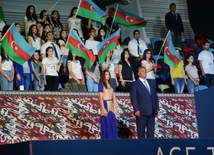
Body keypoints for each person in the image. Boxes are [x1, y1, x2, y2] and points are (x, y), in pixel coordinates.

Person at [130, 66, 159, 138]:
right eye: (143, 71)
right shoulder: (135, 84)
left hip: (152, 110)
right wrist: (136, 109)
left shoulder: (150, 82)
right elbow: (134, 98)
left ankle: (151, 147)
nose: (145, 72)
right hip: (142, 111)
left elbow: (154, 96)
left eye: (145, 71)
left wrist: (156, 107)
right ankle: (142, 147)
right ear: (138, 73)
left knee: (151, 132)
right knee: (141, 132)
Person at [99, 70, 118, 139]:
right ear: (103, 75)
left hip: (111, 105)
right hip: (105, 104)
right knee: (106, 122)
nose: (108, 76)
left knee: (112, 122)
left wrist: (115, 107)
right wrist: (103, 109)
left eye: (109, 74)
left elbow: (114, 96)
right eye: (106, 74)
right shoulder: (101, 85)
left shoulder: (112, 84)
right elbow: (101, 98)